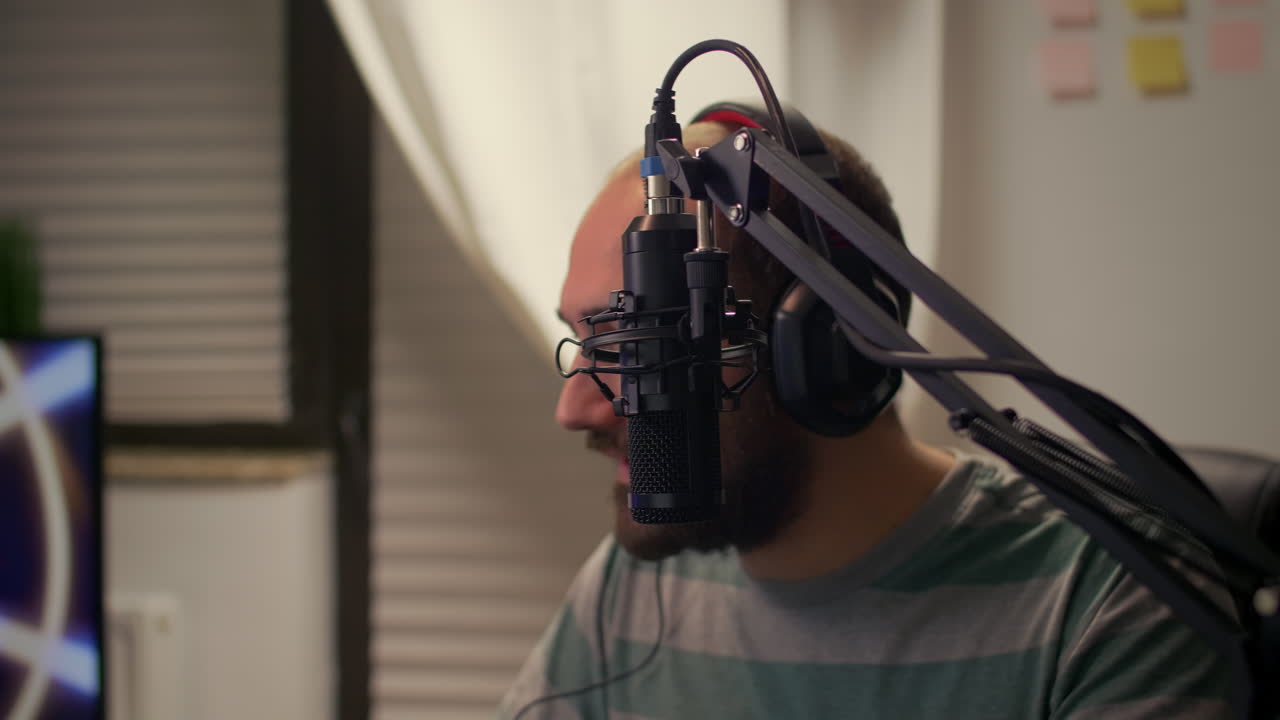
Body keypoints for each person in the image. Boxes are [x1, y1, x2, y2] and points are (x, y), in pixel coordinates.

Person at [498, 119, 1233, 719]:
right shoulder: (629, 591)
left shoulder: (1104, 602)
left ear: (821, 346)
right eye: (583, 338)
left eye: (632, 343)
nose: (573, 409)